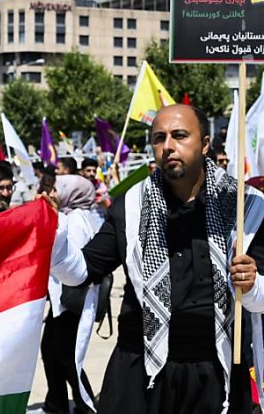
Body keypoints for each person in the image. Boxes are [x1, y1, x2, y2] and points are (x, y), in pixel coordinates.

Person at [50, 104, 264, 413]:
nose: (168, 147)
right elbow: (81, 272)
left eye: (179, 135)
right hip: (141, 375)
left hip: (218, 375)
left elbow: (259, 299)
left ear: (204, 144)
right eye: (159, 138)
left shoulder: (248, 208)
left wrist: (252, 284)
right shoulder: (131, 206)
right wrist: (53, 236)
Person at [40, 174, 100, 414]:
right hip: (64, 302)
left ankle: (82, 404)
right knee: (55, 353)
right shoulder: (75, 216)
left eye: (56, 189)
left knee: (64, 357)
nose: (53, 193)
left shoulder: (74, 220)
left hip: (69, 302)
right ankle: (57, 402)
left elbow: (71, 262)